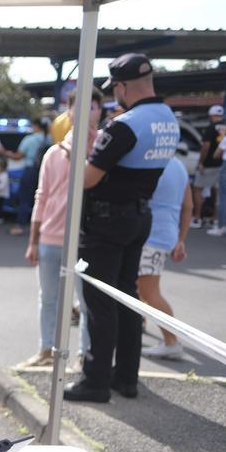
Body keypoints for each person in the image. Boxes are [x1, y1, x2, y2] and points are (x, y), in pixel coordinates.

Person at [64, 53, 178, 403]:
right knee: (128, 297)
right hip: (141, 215)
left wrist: (79, 155)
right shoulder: (168, 119)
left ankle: (95, 381)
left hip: (108, 220)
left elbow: (88, 179)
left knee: (100, 302)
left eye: (116, 89)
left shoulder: (124, 125)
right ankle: (126, 377)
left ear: (123, 85)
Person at [21, 86, 102, 369]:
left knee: (86, 301)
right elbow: (41, 197)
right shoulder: (54, 153)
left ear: (100, 111)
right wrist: (33, 240)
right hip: (50, 238)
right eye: (78, 106)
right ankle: (47, 350)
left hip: (84, 240)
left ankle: (84, 356)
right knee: (49, 297)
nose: (85, 112)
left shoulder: (103, 148)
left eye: (93, 106)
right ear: (68, 110)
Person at [138, 155, 192, 360]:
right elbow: (189, 206)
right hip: (166, 233)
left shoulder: (152, 162)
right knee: (141, 285)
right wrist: (181, 239)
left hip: (151, 234)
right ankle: (142, 323)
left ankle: (171, 341)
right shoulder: (179, 165)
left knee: (149, 291)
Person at [12, 119, 51, 235]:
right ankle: (42, 227)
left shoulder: (29, 139)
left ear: (35, 126)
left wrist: (8, 154)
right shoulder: (50, 139)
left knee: (24, 199)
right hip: (45, 171)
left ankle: (21, 225)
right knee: (42, 199)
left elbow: (18, 156)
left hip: (30, 171)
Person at [191, 105, 225, 230]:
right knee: (217, 191)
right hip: (222, 164)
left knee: (197, 189)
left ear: (211, 115)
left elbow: (206, 146)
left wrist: (201, 162)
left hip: (209, 164)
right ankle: (214, 219)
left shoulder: (211, 128)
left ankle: (197, 218)